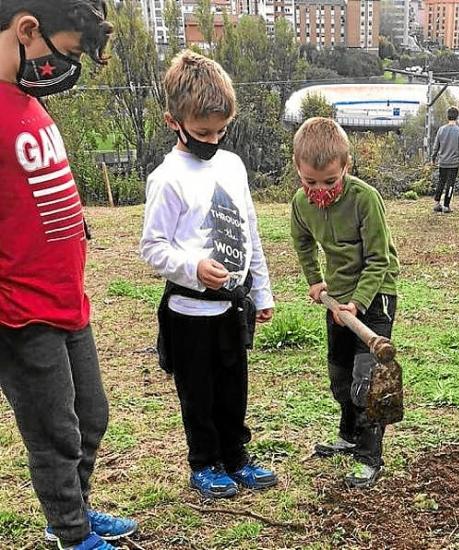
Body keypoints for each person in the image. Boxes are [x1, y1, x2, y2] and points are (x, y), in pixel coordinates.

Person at [0, 2, 138, 550]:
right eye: (67, 52)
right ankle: (71, 533)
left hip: (66, 298)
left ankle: (74, 507)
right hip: (21, 311)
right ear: (27, 30)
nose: (64, 68)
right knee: (54, 431)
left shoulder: (25, 101)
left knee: (90, 415)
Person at [141, 51, 278, 499]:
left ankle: (236, 457)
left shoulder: (232, 165)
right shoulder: (167, 178)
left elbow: (249, 228)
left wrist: (262, 290)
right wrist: (193, 267)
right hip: (188, 310)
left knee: (233, 387)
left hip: (232, 305)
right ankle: (204, 462)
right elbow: (153, 247)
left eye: (221, 130)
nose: (213, 139)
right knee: (198, 394)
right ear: (173, 121)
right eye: (203, 132)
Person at [290, 117, 400, 488]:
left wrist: (359, 303)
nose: (319, 190)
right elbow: (303, 242)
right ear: (298, 170)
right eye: (310, 182)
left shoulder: (364, 199)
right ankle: (349, 436)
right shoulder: (300, 205)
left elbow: (379, 259)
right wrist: (315, 280)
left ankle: (370, 456)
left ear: (346, 167)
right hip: (337, 298)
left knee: (368, 381)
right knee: (340, 376)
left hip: (376, 294)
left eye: (329, 182)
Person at [431, 106, 459, 213]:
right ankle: (446, 205)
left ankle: (437, 203)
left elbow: (435, 146)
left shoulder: (441, 130)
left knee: (441, 182)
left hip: (442, 161)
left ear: (447, 116)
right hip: (454, 163)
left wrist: (433, 158)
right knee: (450, 184)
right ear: (457, 117)